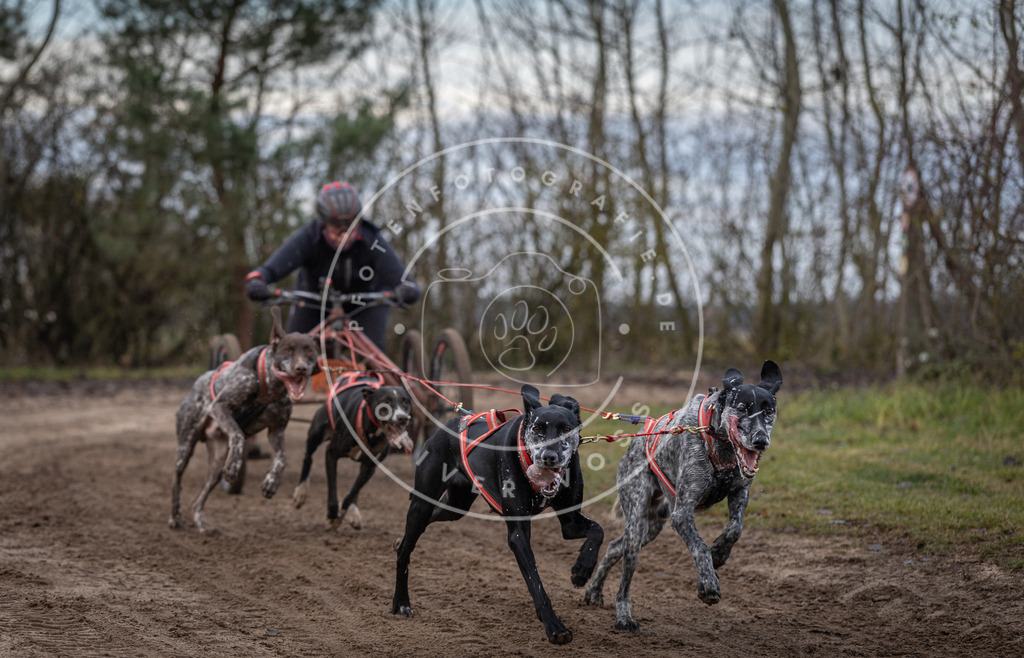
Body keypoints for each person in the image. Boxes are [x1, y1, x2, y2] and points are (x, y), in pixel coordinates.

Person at [245, 181, 420, 349]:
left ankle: (374, 369)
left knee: (374, 351)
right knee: (294, 348)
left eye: (351, 224)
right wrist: (257, 281)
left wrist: (406, 290)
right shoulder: (308, 237)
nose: (344, 233)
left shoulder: (372, 240)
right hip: (313, 302)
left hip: (365, 303)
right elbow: (271, 268)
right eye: (336, 225)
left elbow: (404, 280)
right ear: (323, 222)